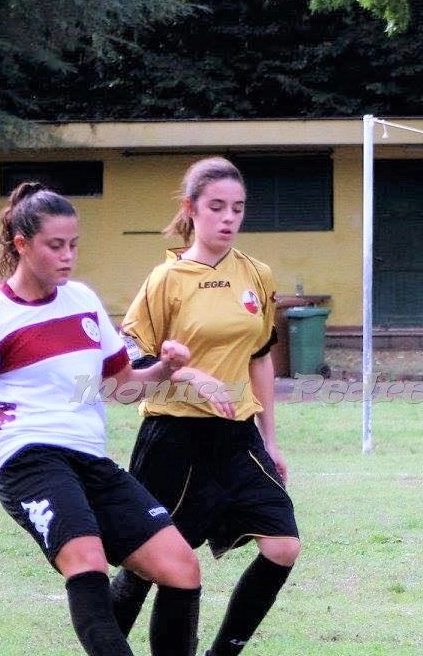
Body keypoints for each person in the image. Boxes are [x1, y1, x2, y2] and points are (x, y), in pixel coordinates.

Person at [0, 182, 204, 656]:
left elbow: (120, 387)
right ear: (22, 244)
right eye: (55, 245)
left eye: (73, 245)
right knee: (86, 560)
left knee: (181, 569)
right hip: (26, 458)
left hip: (88, 459)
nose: (68, 256)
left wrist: (167, 369)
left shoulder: (83, 301)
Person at [110, 157, 299, 656]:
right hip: (172, 435)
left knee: (283, 547)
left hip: (236, 436)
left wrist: (269, 436)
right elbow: (130, 357)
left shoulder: (257, 276)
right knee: (145, 564)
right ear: (191, 209)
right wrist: (186, 373)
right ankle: (105, 646)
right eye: (216, 207)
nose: (228, 218)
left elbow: (261, 357)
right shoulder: (165, 280)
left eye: (237, 208)